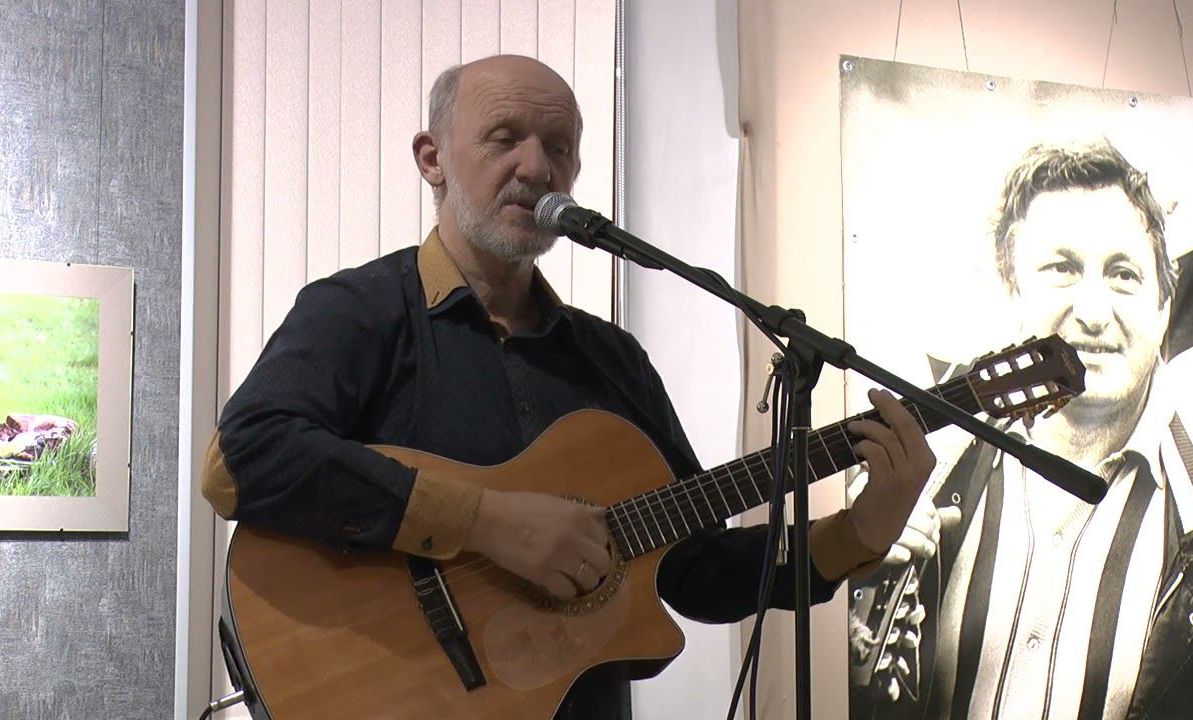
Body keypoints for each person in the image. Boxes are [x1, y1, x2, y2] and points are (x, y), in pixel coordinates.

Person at [201, 54, 935, 719]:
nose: (536, 166)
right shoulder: (360, 311)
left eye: (558, 148)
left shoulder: (611, 360)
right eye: (504, 139)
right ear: (432, 158)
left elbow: (696, 572)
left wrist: (860, 531)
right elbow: (242, 459)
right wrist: (487, 522)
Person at [852, 139, 1193, 720]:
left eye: (1124, 274)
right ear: (1012, 292)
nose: (1093, 313)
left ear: (1163, 307)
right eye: (1061, 269)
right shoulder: (922, 469)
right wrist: (858, 591)